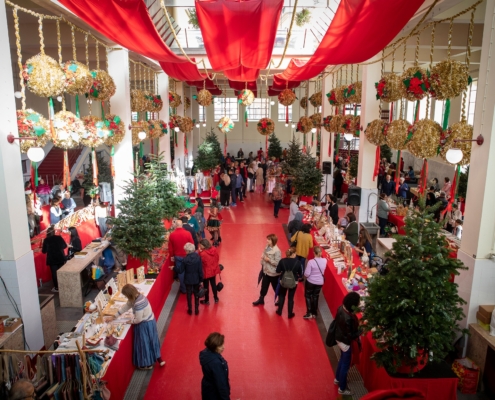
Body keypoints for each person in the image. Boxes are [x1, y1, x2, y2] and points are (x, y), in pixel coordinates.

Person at [113, 284, 165, 369]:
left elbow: (138, 319)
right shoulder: (138, 296)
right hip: (149, 321)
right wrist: (115, 315)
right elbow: (127, 306)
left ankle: (147, 364)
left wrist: (131, 321)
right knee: (152, 341)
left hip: (144, 324)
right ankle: (159, 359)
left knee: (144, 344)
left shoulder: (138, 303)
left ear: (129, 295)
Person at [334, 292, 361, 396]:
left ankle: (337, 378)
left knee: (342, 360)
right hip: (345, 342)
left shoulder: (341, 308)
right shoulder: (349, 318)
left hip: (339, 339)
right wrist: (361, 329)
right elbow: (351, 335)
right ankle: (342, 388)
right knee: (345, 365)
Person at [252, 234, 282, 306]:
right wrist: (263, 258)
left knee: (275, 287)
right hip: (266, 271)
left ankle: (280, 299)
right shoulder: (267, 247)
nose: (267, 240)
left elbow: (277, 263)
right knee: (264, 286)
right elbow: (264, 253)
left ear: (272, 241)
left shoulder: (277, 251)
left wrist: (269, 260)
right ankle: (261, 299)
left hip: (273, 273)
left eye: (268, 239)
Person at [200, 332, 230, 400]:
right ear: (214, 347)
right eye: (220, 346)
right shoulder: (216, 363)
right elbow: (221, 384)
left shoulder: (205, 355)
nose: (223, 347)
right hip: (215, 394)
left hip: (208, 390)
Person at [168, 219, 194, 294]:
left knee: (181, 272)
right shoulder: (187, 233)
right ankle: (190, 288)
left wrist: (172, 255)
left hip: (178, 256)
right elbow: (192, 244)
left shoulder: (172, 234)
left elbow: (170, 247)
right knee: (189, 271)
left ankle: (183, 289)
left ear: (175, 225)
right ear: (182, 225)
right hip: (187, 255)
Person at [275, 248, 302, 318]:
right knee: (291, 297)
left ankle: (279, 311)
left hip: (283, 281)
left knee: (282, 296)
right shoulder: (298, 262)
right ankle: (290, 313)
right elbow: (300, 274)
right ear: (293, 254)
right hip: (293, 282)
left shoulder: (282, 261)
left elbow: (277, 271)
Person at [180, 242, 204, 315]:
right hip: (196, 279)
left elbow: (180, 270)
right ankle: (196, 309)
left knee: (189, 294)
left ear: (187, 250)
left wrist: (174, 268)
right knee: (196, 293)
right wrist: (201, 280)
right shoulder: (198, 258)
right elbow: (200, 270)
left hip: (188, 279)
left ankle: (190, 309)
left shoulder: (185, 259)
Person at [303, 246, 327, 319]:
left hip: (311, 281)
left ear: (314, 253)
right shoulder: (325, 260)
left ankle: (309, 312)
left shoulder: (311, 262)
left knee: (308, 295)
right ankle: (314, 312)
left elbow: (306, 274)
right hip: (320, 282)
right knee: (316, 296)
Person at [42, 225, 67, 292]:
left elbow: (44, 251)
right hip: (60, 257)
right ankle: (64, 286)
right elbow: (65, 246)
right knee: (61, 272)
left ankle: (57, 288)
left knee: (54, 273)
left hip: (52, 259)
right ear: (54, 232)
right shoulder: (59, 237)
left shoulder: (46, 240)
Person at [199, 239, 221, 305]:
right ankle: (216, 298)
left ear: (204, 246)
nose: (199, 247)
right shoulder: (214, 249)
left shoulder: (203, 254)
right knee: (213, 284)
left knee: (206, 286)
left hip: (206, 271)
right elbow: (217, 258)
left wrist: (199, 252)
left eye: (200, 245)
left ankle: (207, 300)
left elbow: (201, 262)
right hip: (213, 270)